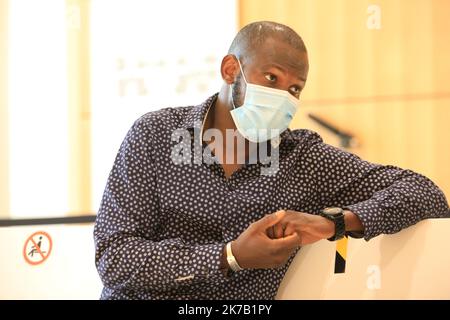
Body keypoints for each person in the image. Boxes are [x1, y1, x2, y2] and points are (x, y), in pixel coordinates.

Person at [93, 21, 449, 300]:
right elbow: (115, 257)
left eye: (295, 89)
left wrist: (333, 223)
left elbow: (425, 192)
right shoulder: (155, 135)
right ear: (231, 69)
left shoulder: (304, 158)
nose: (283, 96)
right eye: (272, 78)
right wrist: (230, 256)